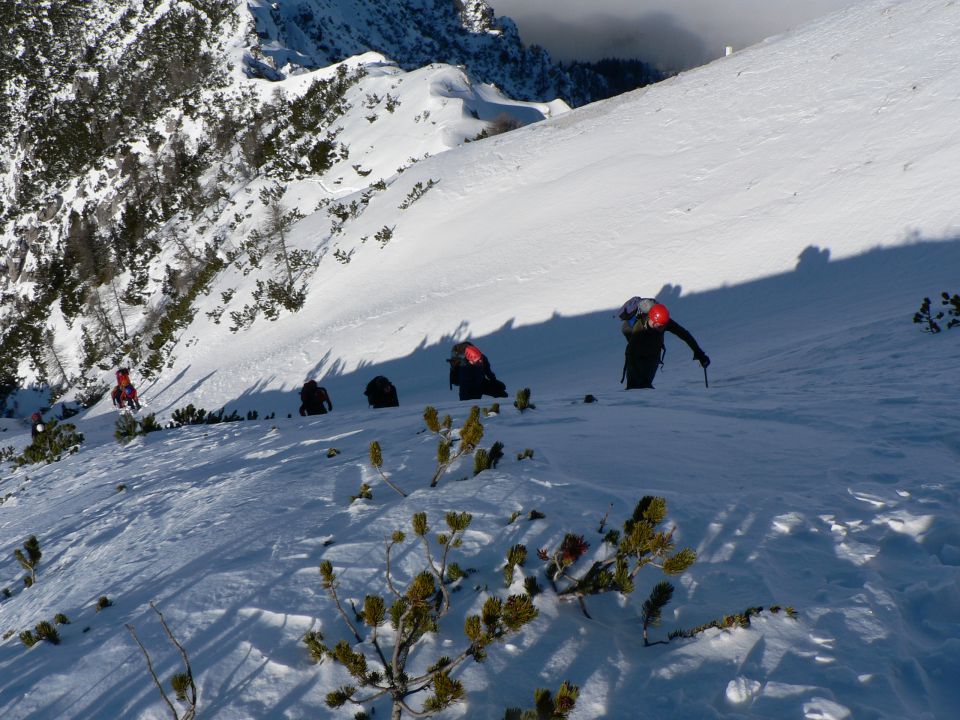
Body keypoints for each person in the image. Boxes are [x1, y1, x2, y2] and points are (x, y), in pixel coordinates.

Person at [619, 297, 710, 389]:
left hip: (653, 356)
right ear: (653, 321)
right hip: (635, 356)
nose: (663, 327)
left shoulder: (664, 321)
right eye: (661, 326)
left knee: (646, 387)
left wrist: (699, 353)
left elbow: (684, 334)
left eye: (664, 325)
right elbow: (631, 354)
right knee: (634, 387)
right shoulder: (638, 329)